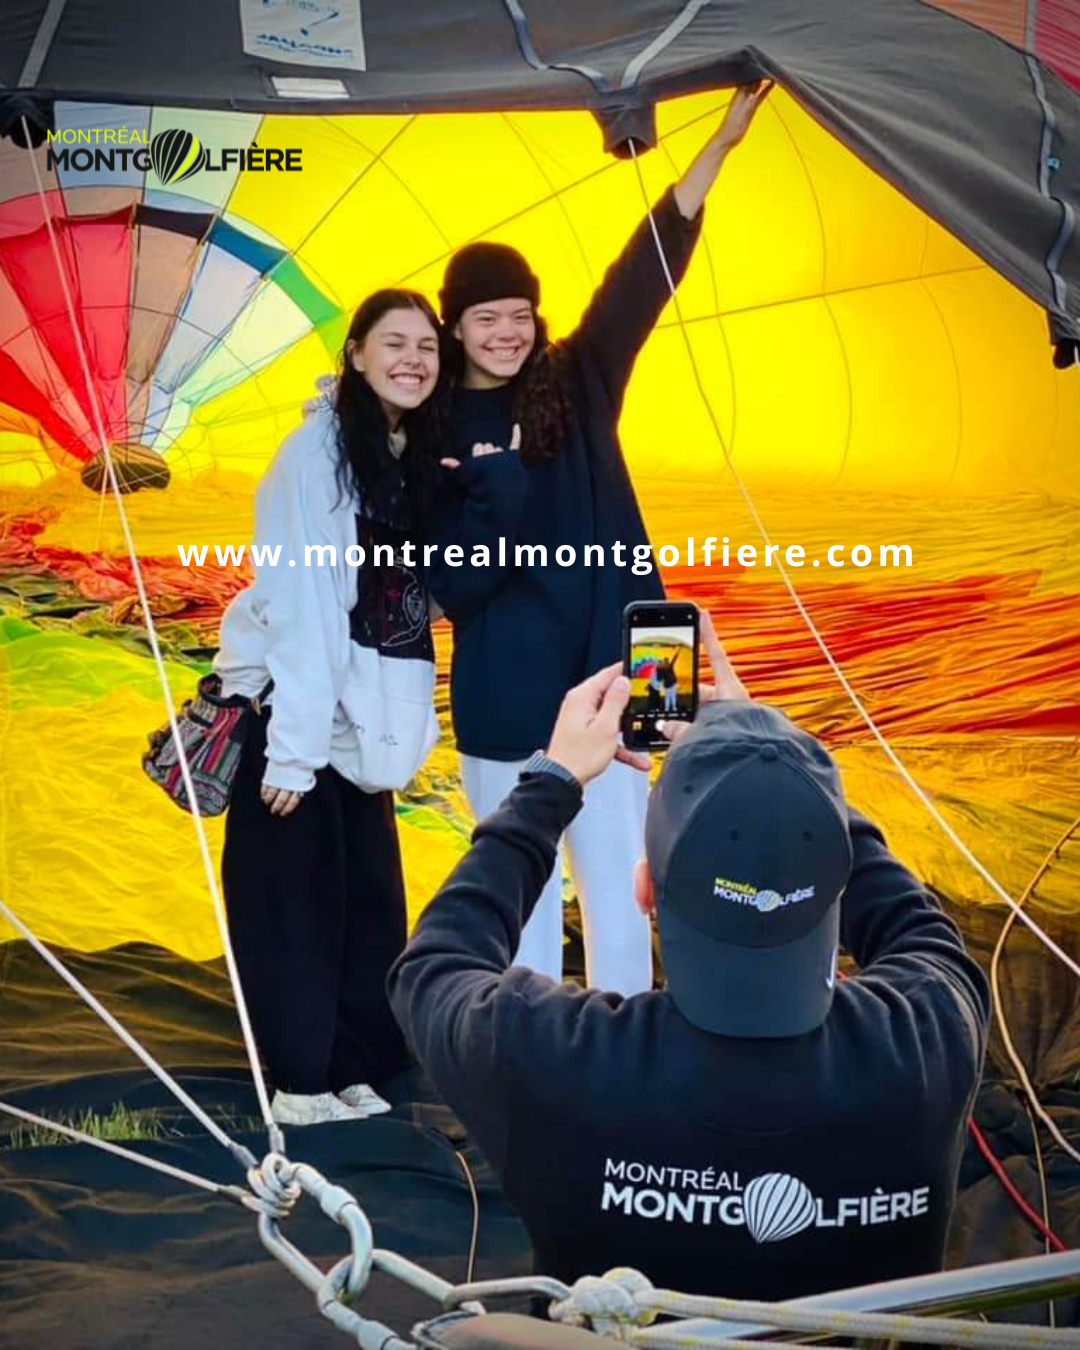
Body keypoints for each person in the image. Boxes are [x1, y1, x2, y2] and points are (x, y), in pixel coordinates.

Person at [387, 613, 990, 1299]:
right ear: (834, 885)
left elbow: (434, 965)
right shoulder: (933, 1034)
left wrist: (550, 785)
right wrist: (780, 767)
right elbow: (913, 924)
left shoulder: (550, 1056)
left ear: (644, 887)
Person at [425, 84, 773, 996]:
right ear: (453, 326)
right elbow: (452, 591)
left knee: (627, 898)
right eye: (484, 318)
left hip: (638, 668)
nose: (506, 332)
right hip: (511, 698)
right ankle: (534, 1076)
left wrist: (724, 143)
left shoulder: (577, 377)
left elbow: (645, 268)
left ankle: (629, 1070)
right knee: (525, 902)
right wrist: (494, 485)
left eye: (518, 314)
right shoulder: (429, 424)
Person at [214, 289, 443, 1127]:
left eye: (428, 345)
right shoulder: (315, 459)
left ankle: (353, 1063)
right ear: (354, 354)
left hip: (361, 723)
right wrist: (294, 754)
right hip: (297, 718)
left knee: (369, 903)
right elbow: (305, 606)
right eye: (395, 342)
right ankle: (300, 1082)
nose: (414, 358)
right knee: (296, 905)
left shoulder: (400, 454)